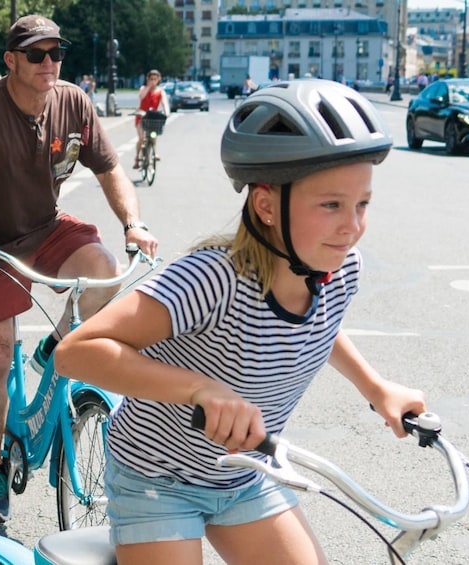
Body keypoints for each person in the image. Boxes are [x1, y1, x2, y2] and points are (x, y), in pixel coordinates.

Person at [54, 79, 426, 565]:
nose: (352, 225)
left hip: (245, 473)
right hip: (157, 478)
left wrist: (377, 389)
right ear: (267, 205)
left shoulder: (338, 268)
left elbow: (318, 325)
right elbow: (76, 351)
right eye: (331, 204)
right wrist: (200, 390)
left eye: (363, 204)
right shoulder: (212, 279)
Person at [0, 14, 158, 525]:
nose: (48, 63)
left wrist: (133, 223)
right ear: (11, 60)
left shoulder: (73, 101)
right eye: (35, 54)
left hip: (45, 228)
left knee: (102, 269)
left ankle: (55, 347)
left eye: (55, 53)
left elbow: (109, 167)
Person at [134, 69, 168, 169]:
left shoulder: (161, 92)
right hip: (141, 117)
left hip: (152, 117)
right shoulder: (143, 88)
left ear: (159, 80)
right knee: (141, 138)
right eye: (151, 79)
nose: (153, 81)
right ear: (147, 79)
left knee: (153, 134)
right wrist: (148, 87)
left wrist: (167, 112)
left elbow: (165, 103)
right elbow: (141, 97)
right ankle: (137, 157)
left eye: (155, 79)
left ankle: (154, 152)